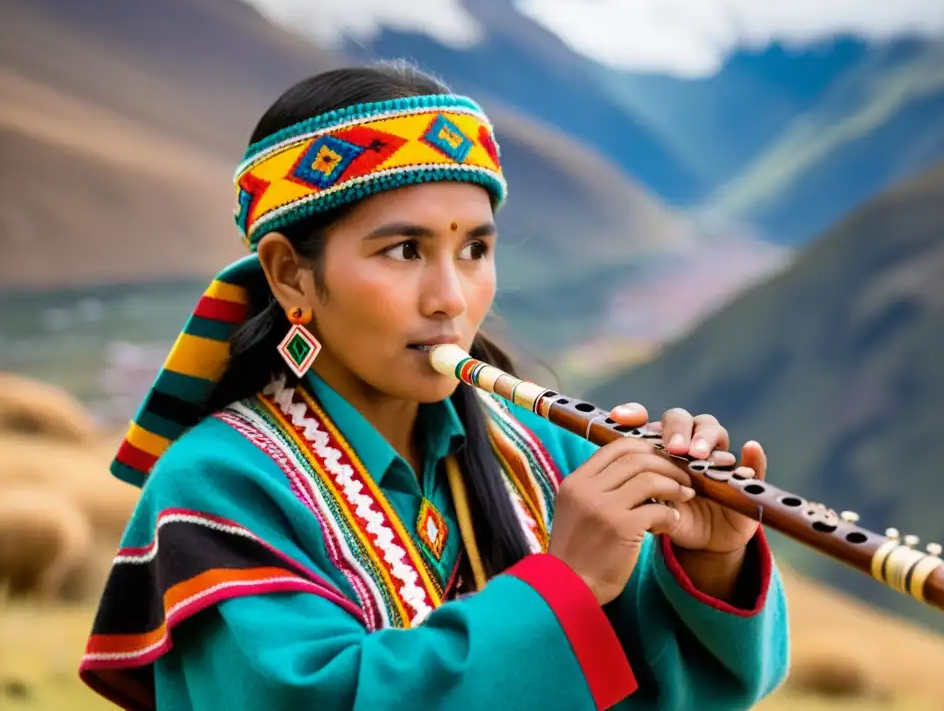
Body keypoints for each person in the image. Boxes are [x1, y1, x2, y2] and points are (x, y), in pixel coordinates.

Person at [79, 63, 790, 711]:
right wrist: (562, 589)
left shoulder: (552, 453)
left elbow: (664, 692)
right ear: (292, 274)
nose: (451, 298)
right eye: (405, 250)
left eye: (475, 249)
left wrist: (710, 562)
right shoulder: (217, 485)